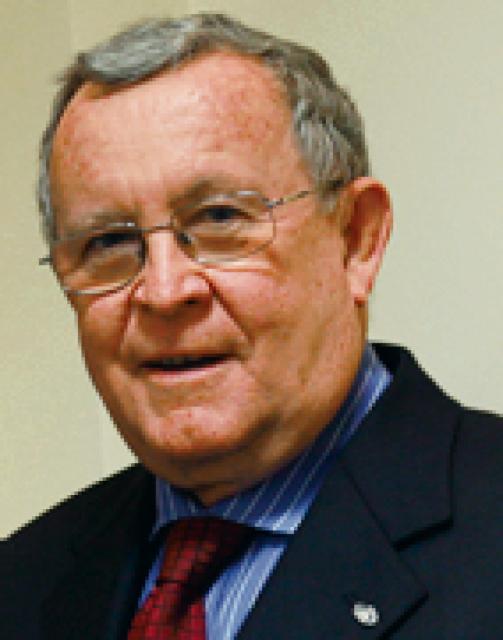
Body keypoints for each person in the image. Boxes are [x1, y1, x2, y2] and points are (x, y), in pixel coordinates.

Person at [1, 13, 501, 640]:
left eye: (218, 218)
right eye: (108, 242)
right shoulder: (22, 584)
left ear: (356, 239)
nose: (164, 291)